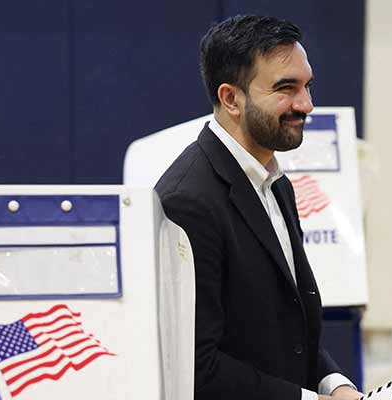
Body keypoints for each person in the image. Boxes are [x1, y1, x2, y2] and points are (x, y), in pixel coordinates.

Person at [155, 15, 364, 400]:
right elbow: (198, 367)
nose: (307, 104)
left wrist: (336, 386)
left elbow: (292, 332)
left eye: (307, 86)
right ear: (231, 98)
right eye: (286, 88)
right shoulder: (188, 200)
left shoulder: (276, 183)